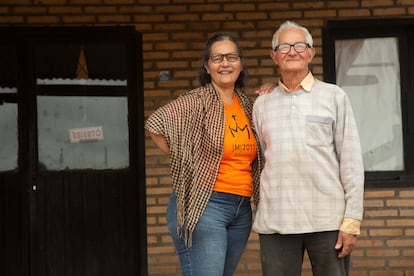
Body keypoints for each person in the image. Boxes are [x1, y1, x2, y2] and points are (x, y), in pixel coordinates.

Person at [252, 20, 364, 276]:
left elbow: (351, 161)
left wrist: (351, 221)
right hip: (276, 222)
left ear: (311, 53)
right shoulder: (262, 104)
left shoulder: (334, 96)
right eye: (284, 47)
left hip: (328, 221)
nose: (292, 52)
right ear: (274, 56)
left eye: (300, 46)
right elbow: (258, 159)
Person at [145, 33, 262, 276]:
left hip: (241, 207)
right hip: (206, 204)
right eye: (217, 58)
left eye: (231, 57)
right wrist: (184, 158)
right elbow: (155, 123)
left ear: (240, 64)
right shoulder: (196, 101)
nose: (225, 64)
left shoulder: (248, 105)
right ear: (207, 67)